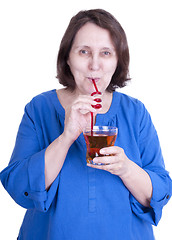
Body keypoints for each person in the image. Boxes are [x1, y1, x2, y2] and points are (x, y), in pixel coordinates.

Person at [0, 9, 172, 240]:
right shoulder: (39, 109)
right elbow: (18, 187)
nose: (94, 65)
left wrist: (126, 169)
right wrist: (65, 138)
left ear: (118, 60)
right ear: (68, 57)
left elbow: (160, 191)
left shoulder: (136, 112)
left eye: (106, 53)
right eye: (84, 52)